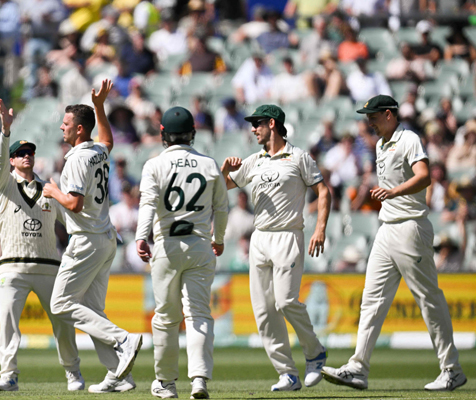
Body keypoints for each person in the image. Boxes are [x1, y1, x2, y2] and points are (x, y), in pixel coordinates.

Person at [322, 95, 467, 391]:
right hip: (387, 229)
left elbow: (424, 176)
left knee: (428, 298)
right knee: (371, 299)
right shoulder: (380, 144)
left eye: (373, 117)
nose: (369, 123)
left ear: (388, 114)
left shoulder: (409, 138)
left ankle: (451, 369)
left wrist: (395, 192)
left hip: (411, 228)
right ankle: (358, 367)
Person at [220, 105, 330, 391]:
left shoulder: (298, 157)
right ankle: (287, 373)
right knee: (264, 310)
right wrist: (224, 172)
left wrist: (320, 228)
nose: (253, 129)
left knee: (285, 301)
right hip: (260, 238)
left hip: (288, 235)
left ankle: (315, 352)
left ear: (272, 123)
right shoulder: (254, 160)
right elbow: (221, 188)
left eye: (257, 124)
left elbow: (323, 191)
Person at [42, 79, 142, 393]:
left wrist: (53, 191)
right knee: (94, 310)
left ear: (80, 130)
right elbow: (108, 140)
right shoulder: (97, 151)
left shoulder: (74, 160)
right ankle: (118, 375)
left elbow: (74, 203)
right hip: (105, 238)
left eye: (67, 123)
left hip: (85, 240)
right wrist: (99, 107)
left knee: (60, 304)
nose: (62, 127)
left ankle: (123, 339)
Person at [135, 106, 228, 399]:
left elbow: (148, 204)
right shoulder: (210, 165)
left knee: (165, 318)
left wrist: (140, 237)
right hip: (201, 245)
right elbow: (222, 208)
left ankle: (166, 383)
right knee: (199, 314)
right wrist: (219, 238)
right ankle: (199, 380)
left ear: (162, 134)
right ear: (193, 133)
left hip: (166, 246)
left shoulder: (154, 165)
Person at [0, 99, 81, 392]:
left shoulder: (48, 189)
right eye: (20, 153)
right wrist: (6, 132)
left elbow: (70, 224)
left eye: (29, 152)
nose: (26, 156)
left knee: (63, 324)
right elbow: (0, 164)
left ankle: (73, 373)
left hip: (48, 268)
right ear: (13, 160)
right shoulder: (3, 185)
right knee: (8, 325)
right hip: (13, 267)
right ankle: (8, 375)